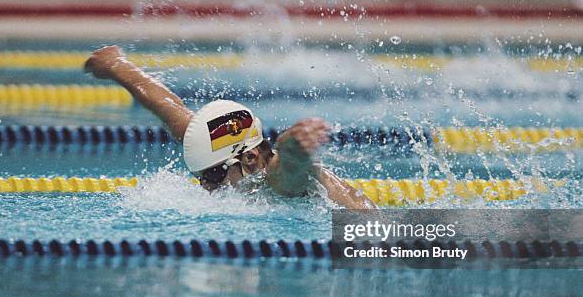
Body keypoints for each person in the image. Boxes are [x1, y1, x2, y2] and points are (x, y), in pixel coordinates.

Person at [84, 46, 375, 209]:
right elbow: (171, 108)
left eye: (211, 175)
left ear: (250, 158)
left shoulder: (276, 183)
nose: (205, 186)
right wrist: (117, 65)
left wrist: (291, 146)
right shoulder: (216, 147)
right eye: (203, 177)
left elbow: (289, 168)